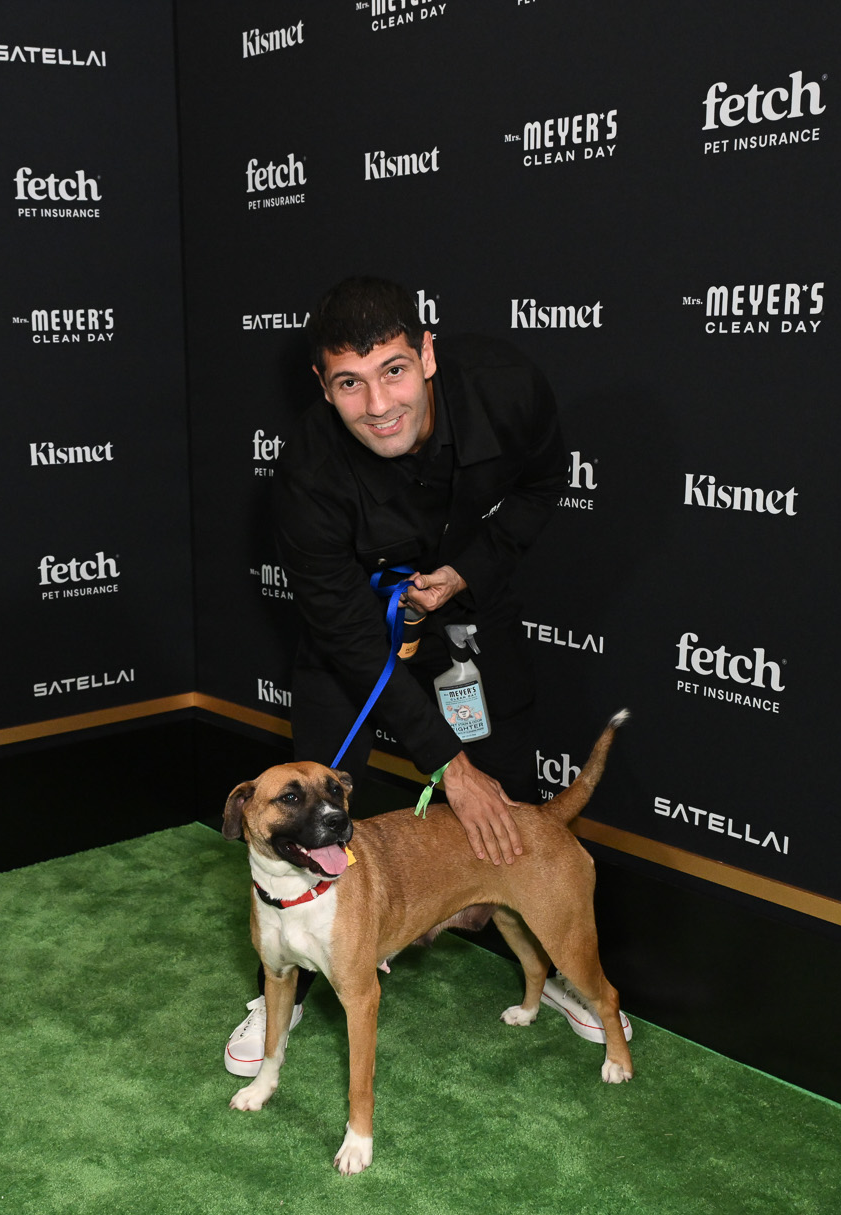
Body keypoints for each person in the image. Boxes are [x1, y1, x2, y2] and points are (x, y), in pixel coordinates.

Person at [225, 275, 631, 1074]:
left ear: (429, 354)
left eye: (394, 370)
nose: (378, 403)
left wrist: (465, 570)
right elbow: (345, 631)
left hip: (460, 600)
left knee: (503, 794)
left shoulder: (508, 391)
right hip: (354, 630)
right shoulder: (306, 469)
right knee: (308, 795)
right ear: (323, 385)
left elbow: (543, 483)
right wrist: (446, 763)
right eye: (350, 382)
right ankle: (285, 987)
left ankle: (549, 961)